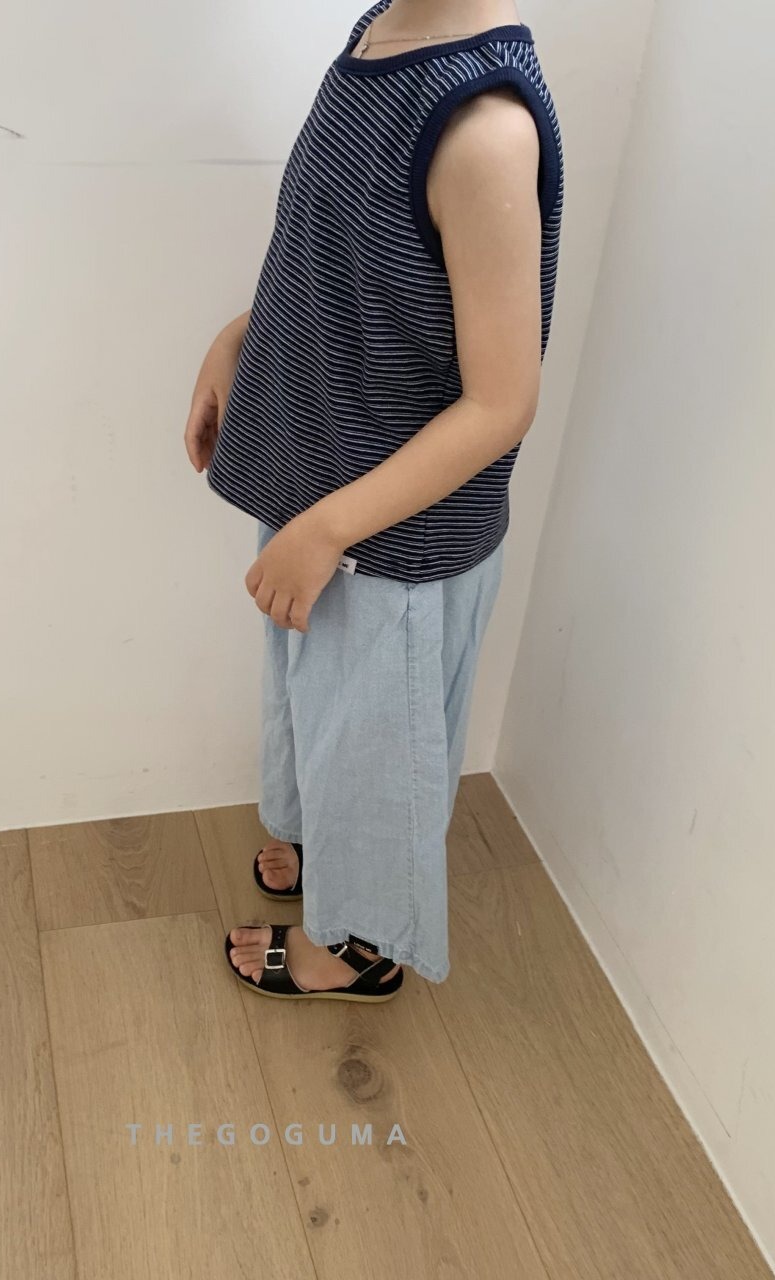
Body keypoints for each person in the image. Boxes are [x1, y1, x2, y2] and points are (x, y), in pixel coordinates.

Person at [184, 0, 564, 1001]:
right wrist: (239, 338)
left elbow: (502, 401)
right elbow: (337, 257)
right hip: (327, 468)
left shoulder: (482, 127)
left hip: (387, 528)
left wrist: (328, 528)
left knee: (375, 744)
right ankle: (327, 851)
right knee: (325, 711)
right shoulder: (382, 29)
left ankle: (356, 947)